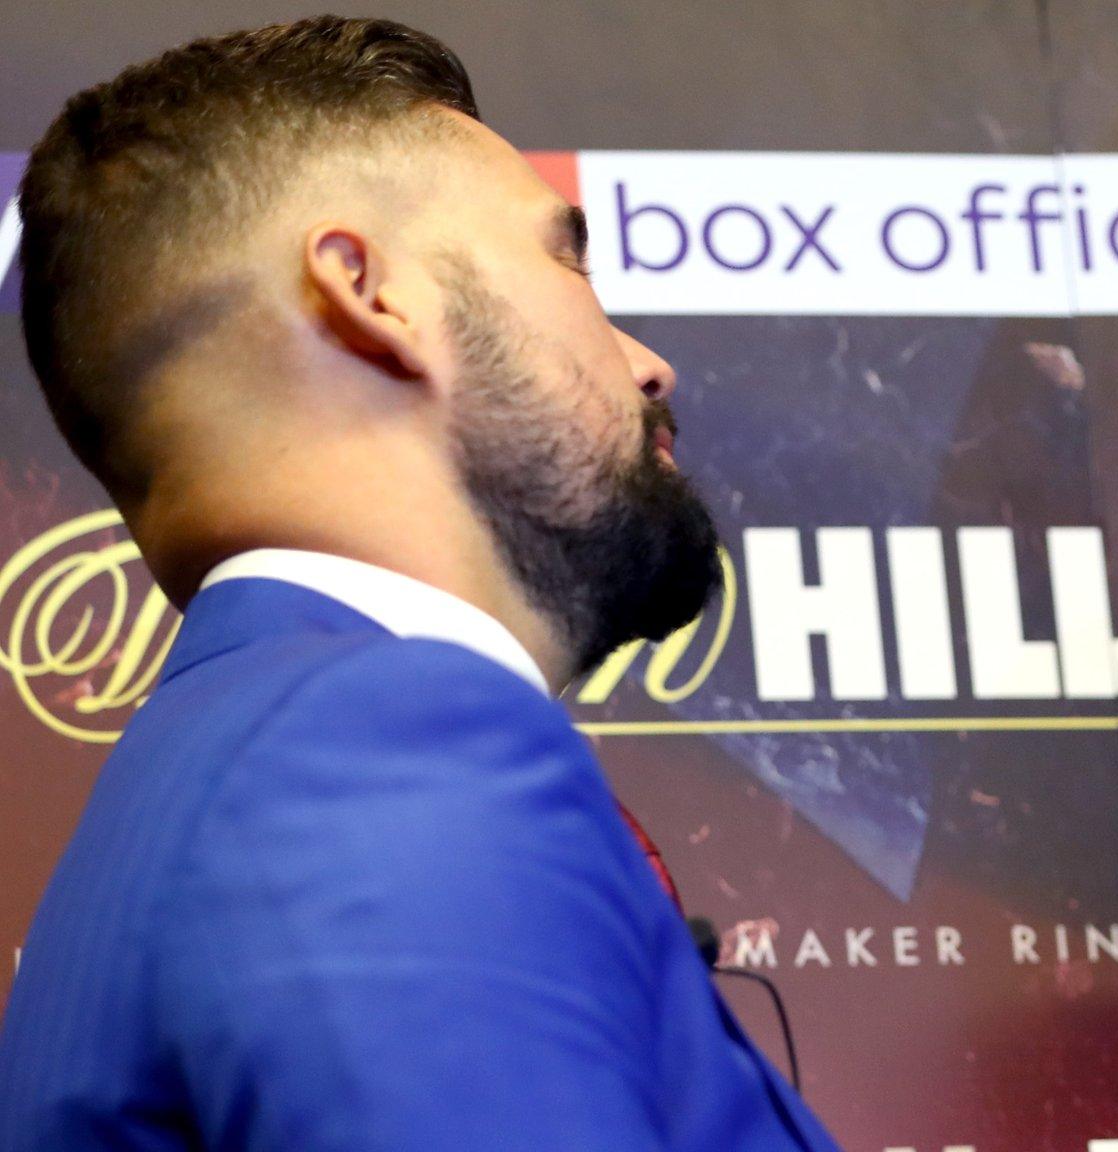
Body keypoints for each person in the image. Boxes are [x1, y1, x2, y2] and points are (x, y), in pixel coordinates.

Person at [0, 17, 837, 1152]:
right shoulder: (381, 739)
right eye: (565, 257)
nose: (647, 362)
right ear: (371, 293)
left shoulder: (213, 768)